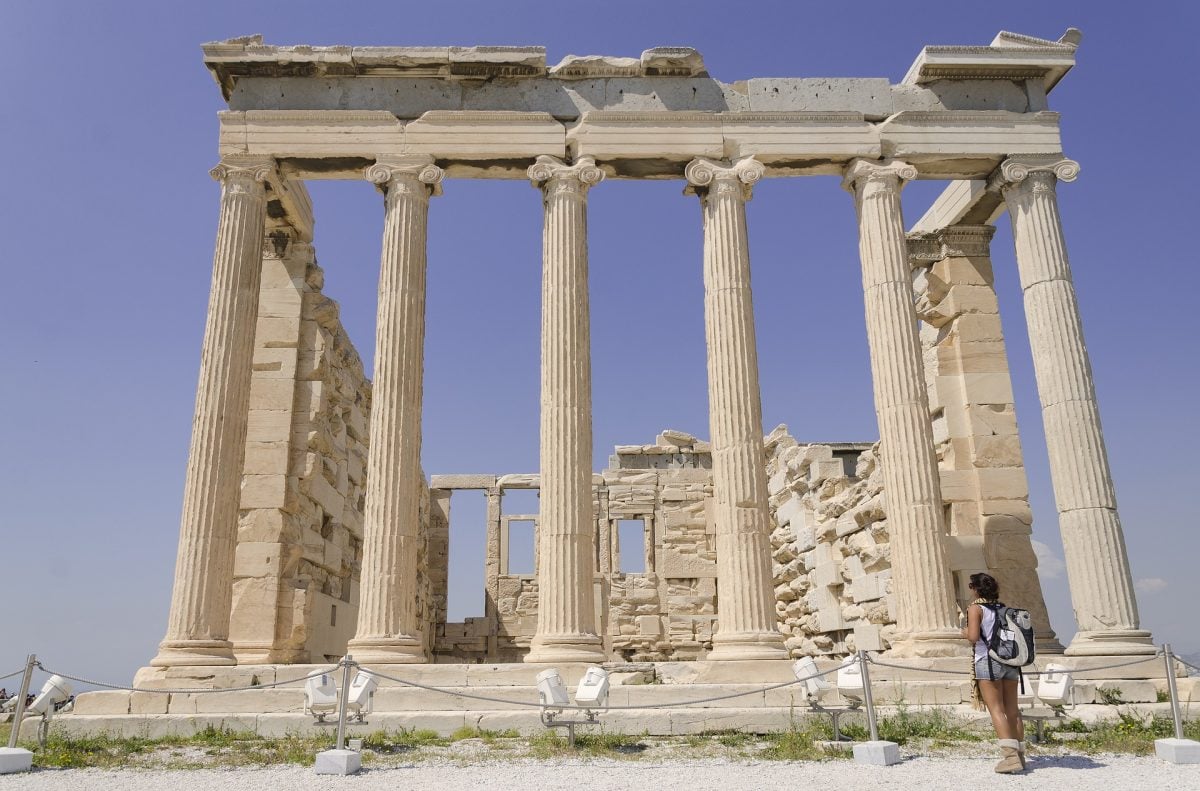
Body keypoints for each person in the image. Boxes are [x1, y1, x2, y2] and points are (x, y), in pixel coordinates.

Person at [962, 572, 1025, 774]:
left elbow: (973, 637)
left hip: (988, 661)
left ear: (975, 588)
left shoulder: (975, 608)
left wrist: (962, 631)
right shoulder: (1003, 607)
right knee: (1013, 710)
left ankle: (1010, 757)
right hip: (1010, 661)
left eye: (971, 586)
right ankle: (1020, 755)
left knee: (996, 710)